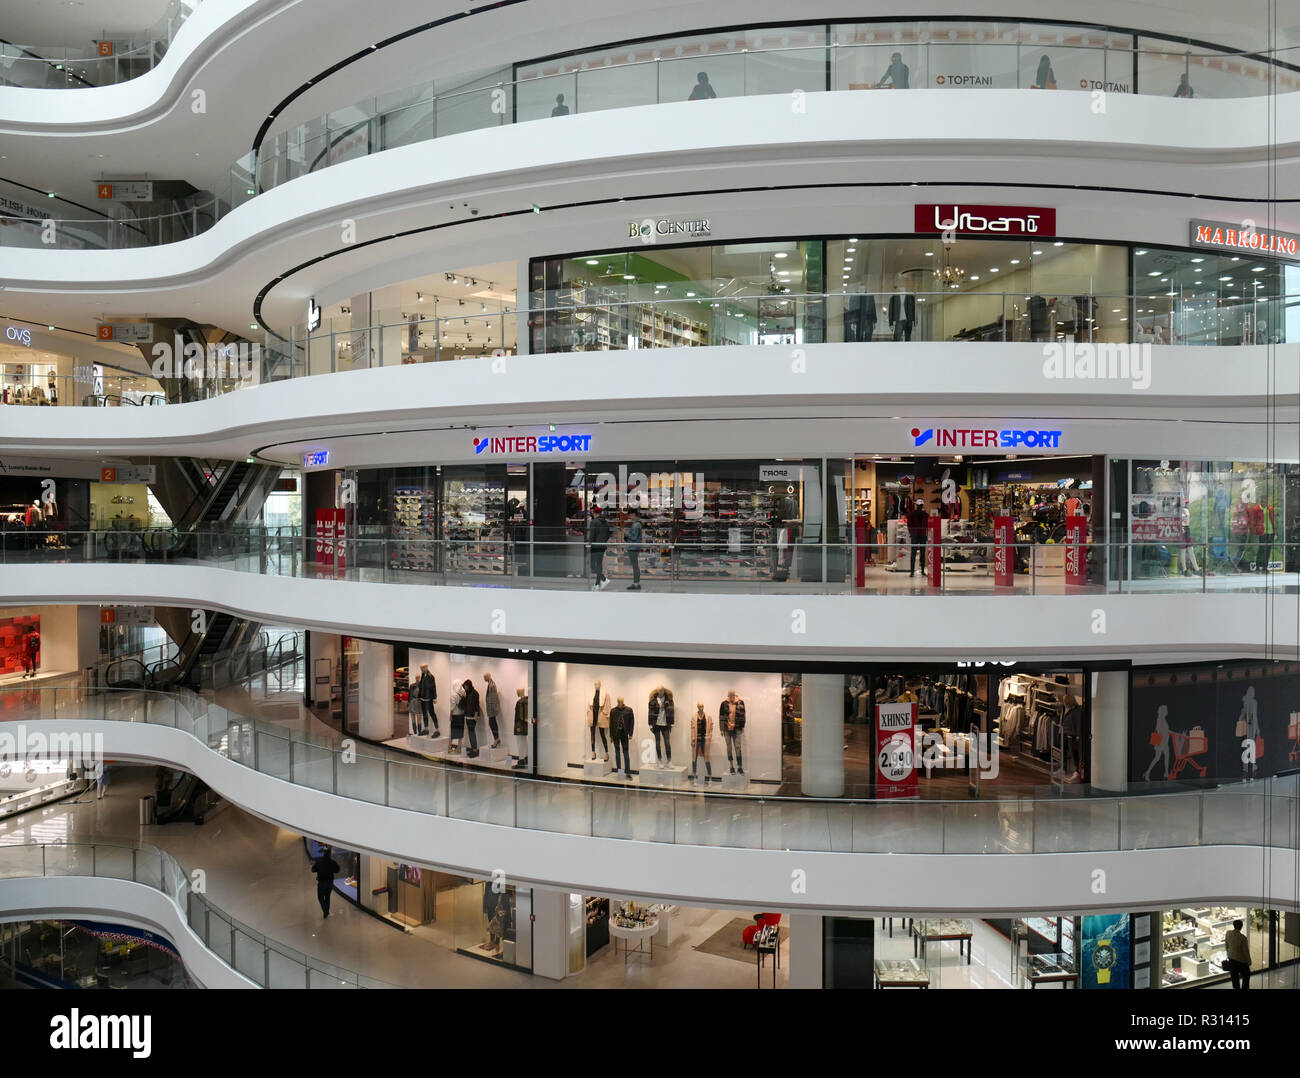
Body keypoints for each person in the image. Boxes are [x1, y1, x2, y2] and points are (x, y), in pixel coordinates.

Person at [310, 845, 341, 918]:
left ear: (323, 853)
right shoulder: (333, 862)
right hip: (330, 883)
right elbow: (337, 870)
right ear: (330, 854)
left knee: (320, 897)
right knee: (327, 897)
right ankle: (326, 911)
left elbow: (313, 870)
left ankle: (325, 911)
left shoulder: (319, 862)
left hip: (321, 883)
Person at [1142, 704, 1172, 781]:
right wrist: (1164, 732)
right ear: (1162, 711)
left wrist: (1169, 732)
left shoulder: (1164, 719)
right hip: (1161, 742)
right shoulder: (1160, 719)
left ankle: (1166, 773)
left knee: (1167, 757)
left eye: (1166, 710)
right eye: (1165, 710)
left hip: (1165, 742)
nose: (1166, 712)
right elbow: (1158, 730)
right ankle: (1147, 773)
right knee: (1157, 758)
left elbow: (1166, 730)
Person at [587, 505, 611, 590]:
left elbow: (592, 535)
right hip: (602, 546)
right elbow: (608, 535)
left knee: (593, 566)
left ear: (594, 513)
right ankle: (597, 584)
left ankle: (604, 579)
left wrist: (589, 544)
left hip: (595, 546)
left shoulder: (594, 522)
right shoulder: (606, 522)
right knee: (599, 565)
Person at [1224, 919, 1251, 989]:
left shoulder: (1228, 933)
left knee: (1234, 977)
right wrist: (1249, 961)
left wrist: (1229, 953)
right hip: (1241, 960)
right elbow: (1246, 951)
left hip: (1231, 958)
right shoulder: (1243, 938)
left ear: (1234, 925)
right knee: (1246, 976)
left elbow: (1226, 946)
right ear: (1241, 927)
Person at [461, 678, 482, 758]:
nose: (465, 688)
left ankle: (475, 750)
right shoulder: (467, 693)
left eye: (466, 686)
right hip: (468, 715)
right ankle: (473, 749)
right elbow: (463, 704)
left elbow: (477, 704)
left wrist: (476, 714)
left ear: (468, 685)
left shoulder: (475, 693)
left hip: (472, 716)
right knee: (470, 732)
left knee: (472, 732)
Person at [906, 498, 928, 576]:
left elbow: (909, 525)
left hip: (918, 535)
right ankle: (915, 571)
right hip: (919, 535)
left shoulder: (913, 514)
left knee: (916, 553)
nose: (920, 506)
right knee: (918, 553)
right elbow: (909, 525)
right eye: (920, 505)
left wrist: (912, 533)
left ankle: (916, 571)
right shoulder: (924, 514)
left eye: (920, 505)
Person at [415, 663, 438, 737]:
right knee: (425, 714)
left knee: (432, 714)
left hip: (429, 699)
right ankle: (426, 729)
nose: (421, 669)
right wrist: (419, 696)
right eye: (420, 668)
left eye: (422, 668)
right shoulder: (423, 675)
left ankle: (437, 730)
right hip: (423, 698)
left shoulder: (430, 676)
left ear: (426, 668)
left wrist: (434, 698)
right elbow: (421, 687)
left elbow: (433, 688)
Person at [624, 509, 643, 590]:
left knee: (635, 566)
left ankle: (636, 583)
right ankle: (636, 583)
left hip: (633, 547)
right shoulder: (637, 524)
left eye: (629, 515)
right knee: (635, 566)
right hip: (635, 547)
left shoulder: (635, 525)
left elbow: (634, 537)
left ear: (633, 514)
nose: (629, 517)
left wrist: (626, 533)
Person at [483, 672, 502, 749]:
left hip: (492, 709)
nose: (483, 678)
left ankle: (496, 739)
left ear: (488, 676)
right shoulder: (490, 684)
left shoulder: (492, 685)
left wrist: (493, 710)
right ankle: (496, 739)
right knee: (492, 723)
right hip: (491, 709)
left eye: (484, 677)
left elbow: (493, 698)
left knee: (492, 724)